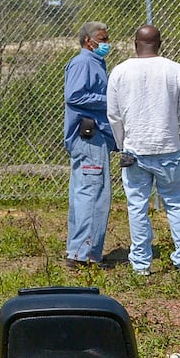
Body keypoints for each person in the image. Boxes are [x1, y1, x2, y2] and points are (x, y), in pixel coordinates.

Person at [107, 24, 180, 276]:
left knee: (137, 206)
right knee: (176, 204)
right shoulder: (176, 70)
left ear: (135, 43)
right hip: (169, 148)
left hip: (134, 150)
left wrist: (121, 143)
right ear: (160, 44)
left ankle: (141, 265)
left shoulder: (120, 72)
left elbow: (114, 115)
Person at [62, 21, 115, 267]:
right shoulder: (83, 62)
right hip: (90, 137)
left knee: (84, 193)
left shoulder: (95, 62)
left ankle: (78, 252)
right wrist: (110, 100)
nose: (106, 44)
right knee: (93, 195)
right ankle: (85, 256)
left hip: (91, 137)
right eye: (102, 40)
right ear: (88, 41)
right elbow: (74, 95)